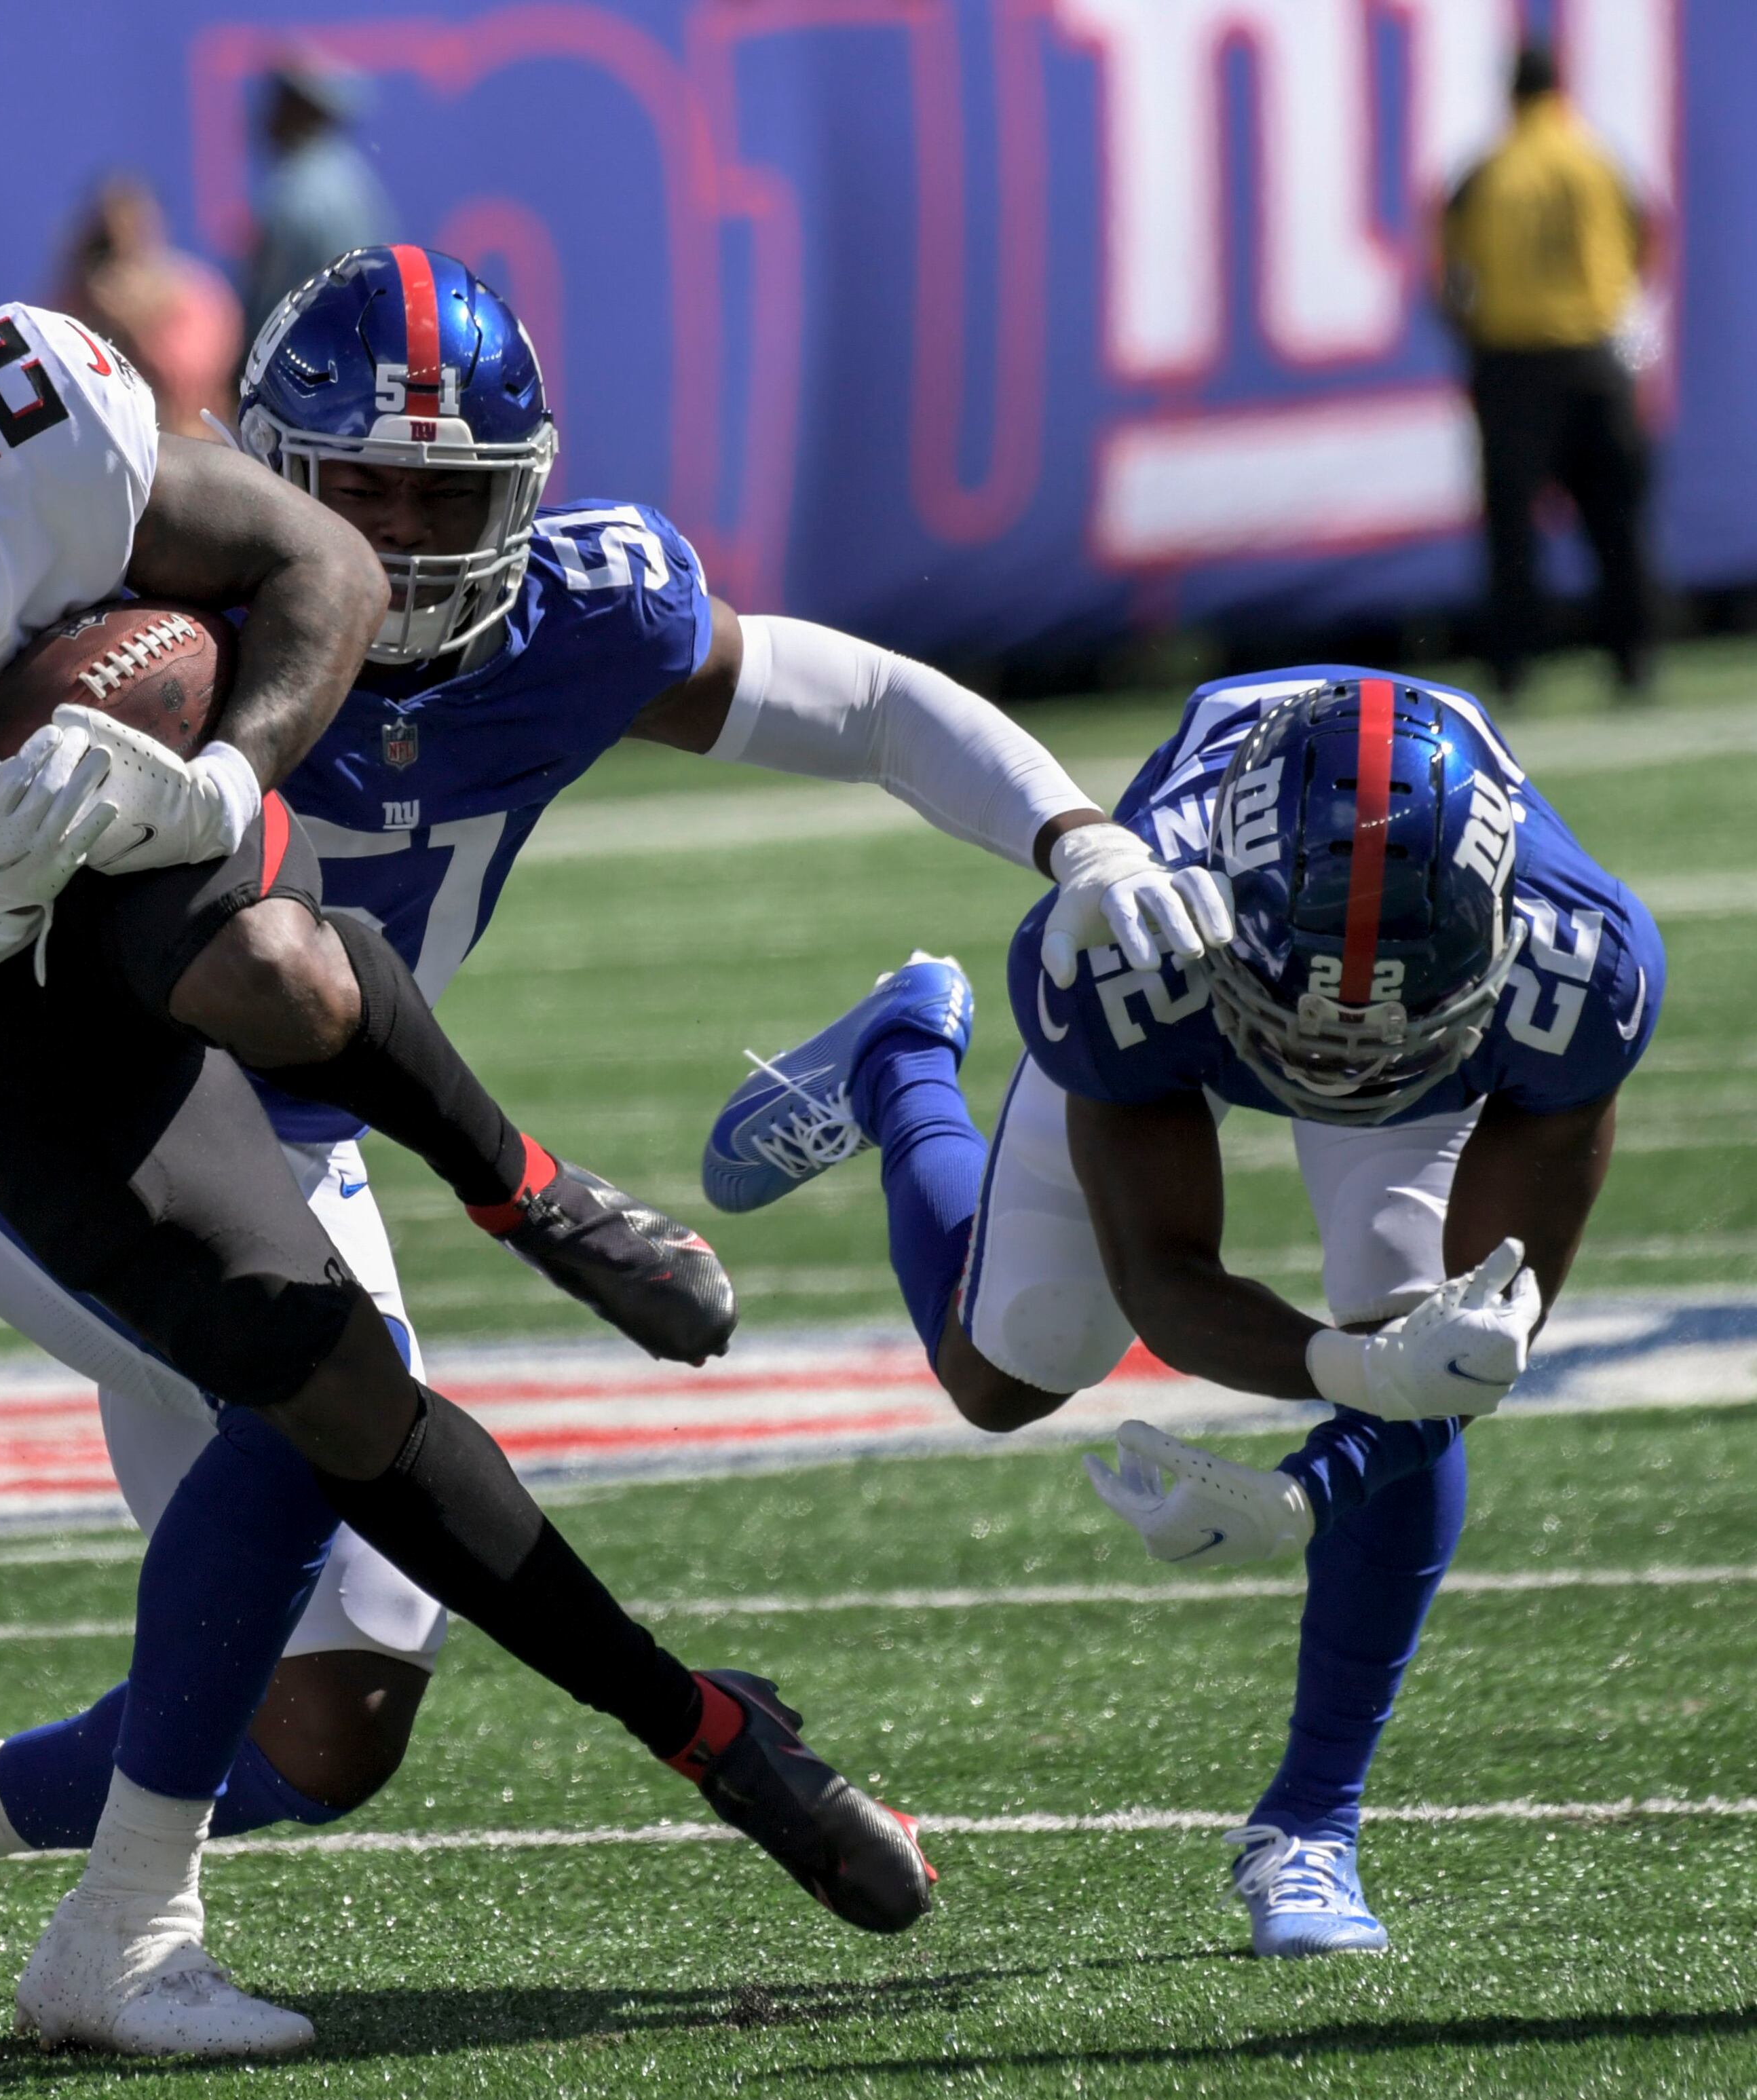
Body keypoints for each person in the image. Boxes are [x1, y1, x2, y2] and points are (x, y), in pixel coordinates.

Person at [0, 248, 1211, 2049]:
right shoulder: (127, 598)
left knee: (327, 1719)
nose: (407, 536)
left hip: (317, 1144)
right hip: (70, 1133)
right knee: (308, 1393)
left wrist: (1075, 836)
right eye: (359, 491)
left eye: (450, 493)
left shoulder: (586, 615)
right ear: (264, 472)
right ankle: (119, 1929)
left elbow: (872, 703)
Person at [702, 666, 1660, 1953]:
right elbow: (1164, 1269)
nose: (1344, 1064)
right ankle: (901, 1064)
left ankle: (1312, 1824)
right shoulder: (1127, 942)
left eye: (1386, 1027)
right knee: (1012, 1370)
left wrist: (1315, 1479)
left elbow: (1482, 1339)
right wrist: (1349, 1379)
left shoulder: (1577, 965)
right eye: (1319, 1025)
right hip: (1207, 994)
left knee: (1425, 1321)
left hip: (1389, 1018)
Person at [1441, 43, 1659, 700]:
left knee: (1510, 533)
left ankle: (1511, 669)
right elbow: (1644, 236)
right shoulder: (1595, 159)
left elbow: (1444, 270)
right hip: (1594, 358)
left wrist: (1471, 338)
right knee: (1616, 523)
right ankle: (1633, 661)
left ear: (1509, 95)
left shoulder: (1485, 170)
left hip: (1512, 365)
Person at [55, 175, 244, 443]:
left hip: (195, 447)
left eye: (132, 229)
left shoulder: (197, 295)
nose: (123, 245)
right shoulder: (78, 300)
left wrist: (138, 326)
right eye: (108, 238)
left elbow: (187, 389)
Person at [241, 54, 394, 339]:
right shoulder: (356, 180)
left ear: (301, 112)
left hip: (311, 358)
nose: (268, 114)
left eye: (281, 103)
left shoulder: (294, 192)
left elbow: (271, 307)